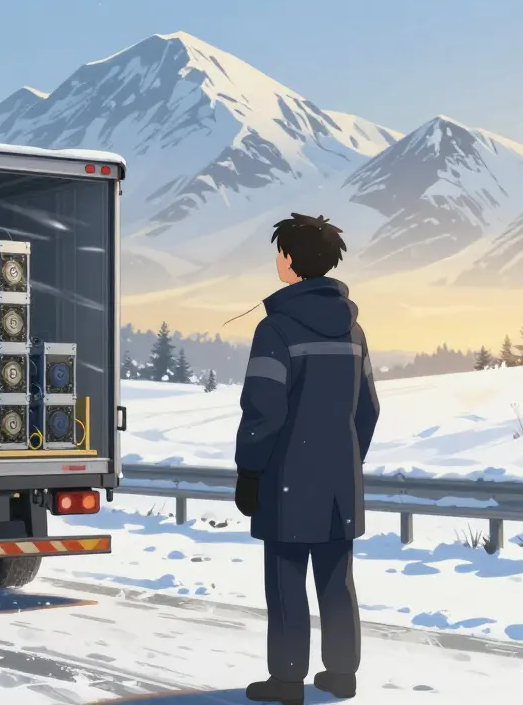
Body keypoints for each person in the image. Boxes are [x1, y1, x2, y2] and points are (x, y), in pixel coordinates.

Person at [232, 213, 380, 704]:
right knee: (338, 580)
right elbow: (369, 409)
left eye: (280, 253)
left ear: (291, 261)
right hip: (340, 483)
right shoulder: (354, 331)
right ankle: (341, 674)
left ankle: (288, 680)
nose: (277, 261)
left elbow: (263, 410)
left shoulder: (275, 329)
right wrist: (346, 458)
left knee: (287, 578)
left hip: (287, 480)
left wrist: (250, 469)